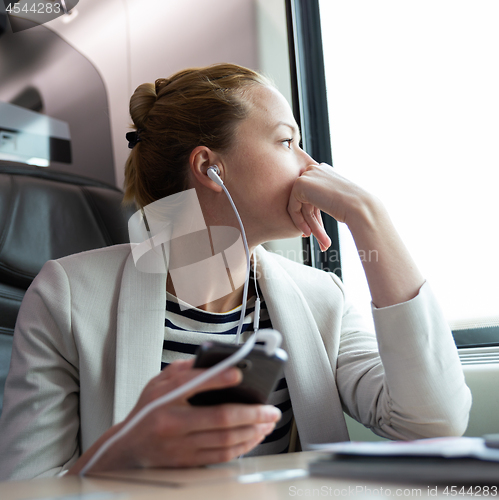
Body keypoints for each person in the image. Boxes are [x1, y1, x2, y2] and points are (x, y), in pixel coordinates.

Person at [0, 63, 471, 480]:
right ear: (210, 168)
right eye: (288, 142)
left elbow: (432, 423)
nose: (311, 168)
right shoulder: (67, 295)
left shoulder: (321, 296)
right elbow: (26, 485)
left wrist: (370, 220)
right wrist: (121, 454)